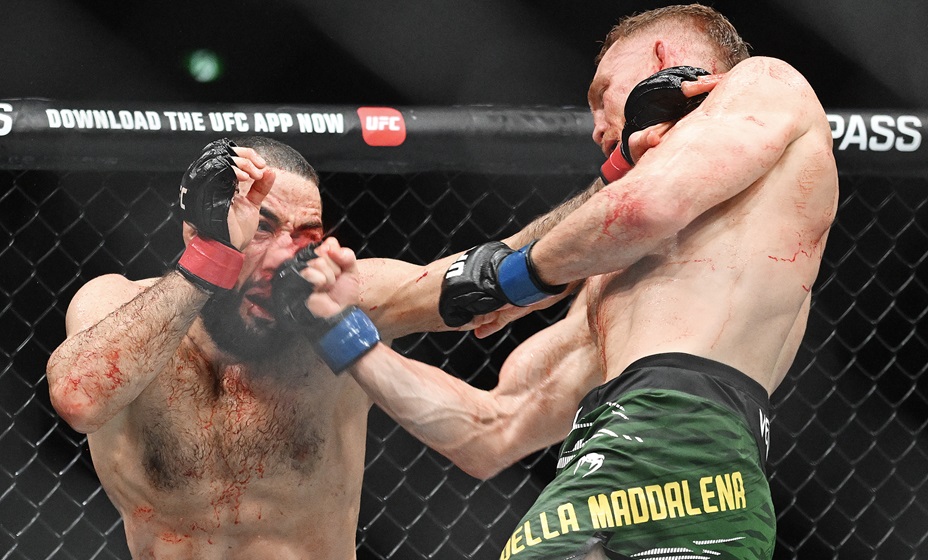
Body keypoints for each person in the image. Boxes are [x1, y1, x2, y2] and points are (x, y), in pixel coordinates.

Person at [297, 5, 838, 560]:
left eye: (601, 96)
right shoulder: (613, 281)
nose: (597, 128)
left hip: (684, 439)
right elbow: (493, 430)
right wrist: (345, 337)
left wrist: (519, 279)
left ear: (663, 58)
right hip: (625, 463)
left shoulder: (766, 82)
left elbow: (645, 208)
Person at [44, 132, 620, 558]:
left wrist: (624, 173)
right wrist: (210, 261)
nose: (284, 256)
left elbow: (494, 274)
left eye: (305, 237)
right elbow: (79, 398)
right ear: (199, 228)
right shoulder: (117, 303)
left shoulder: (337, 298)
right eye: (261, 227)